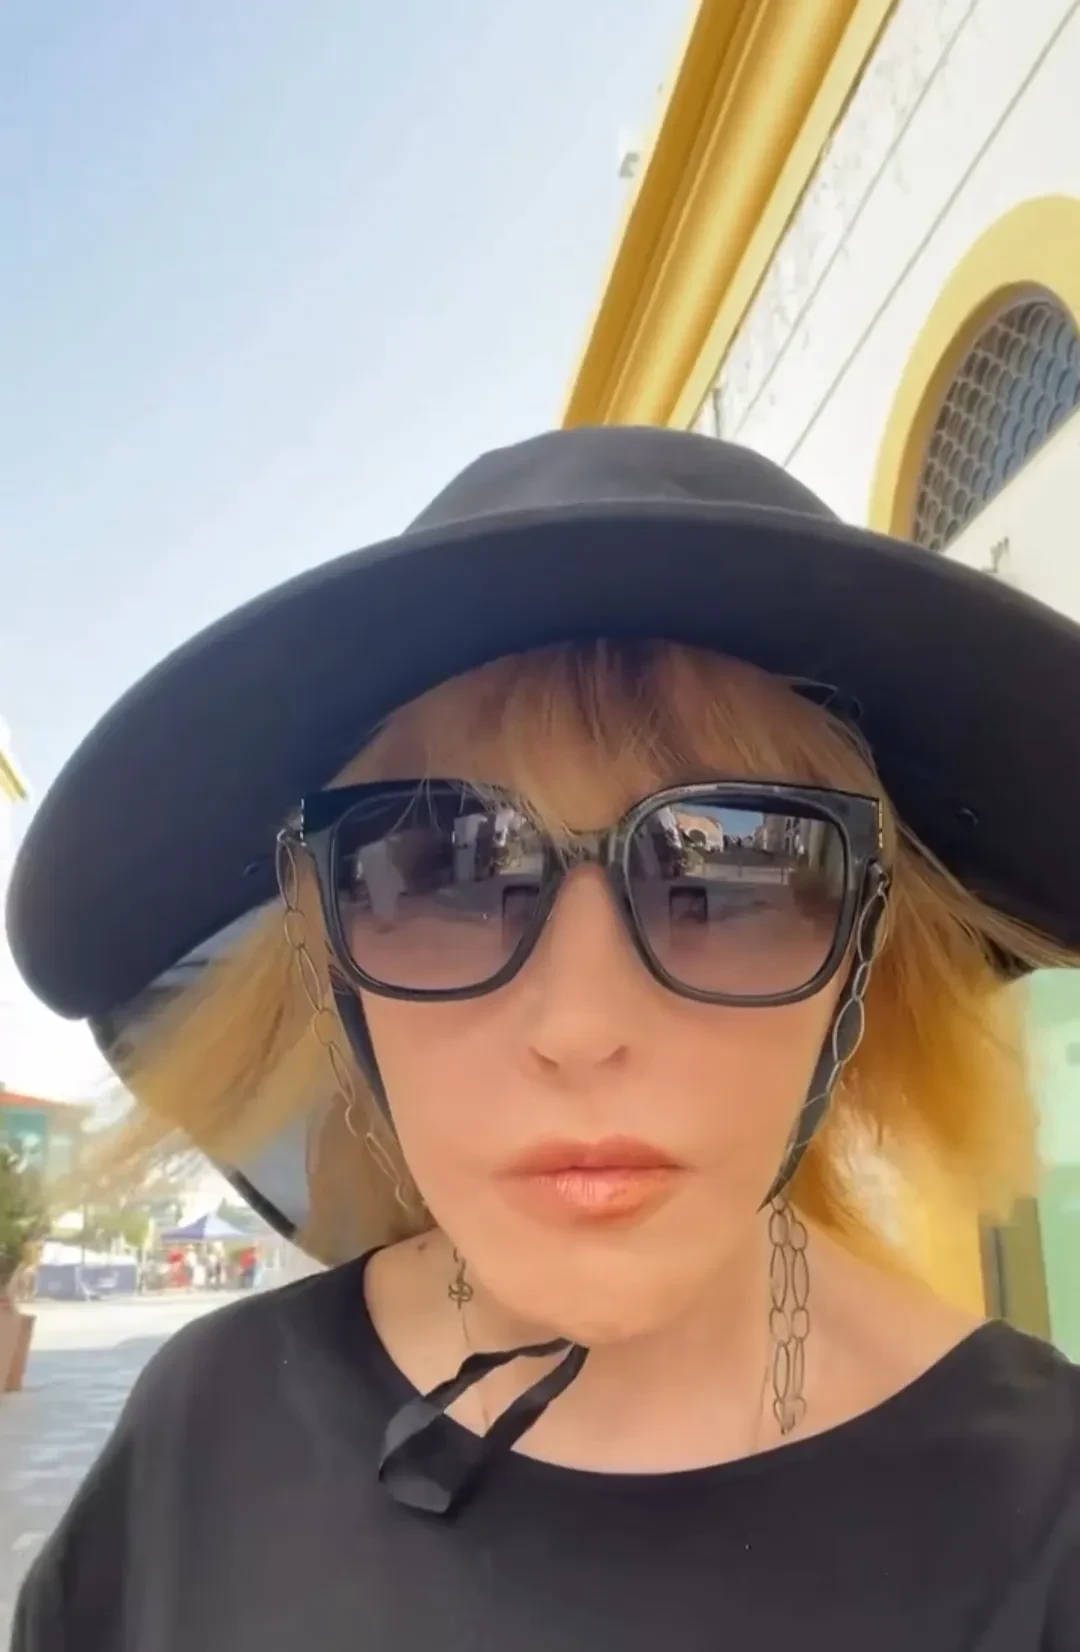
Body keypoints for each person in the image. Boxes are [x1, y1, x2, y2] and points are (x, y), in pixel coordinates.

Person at [5, 427, 1080, 1650]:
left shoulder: (1049, 1510)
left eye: (732, 874)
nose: (581, 1027)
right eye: (442, 871)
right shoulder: (200, 1436)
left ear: (863, 954)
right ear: (325, 956)